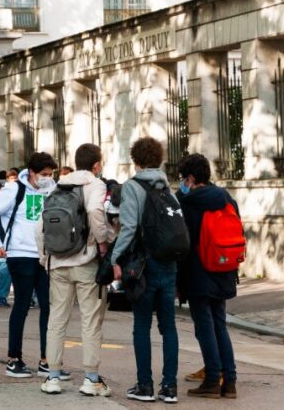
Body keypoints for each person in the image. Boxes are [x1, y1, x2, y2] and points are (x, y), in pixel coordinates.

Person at [39, 144, 115, 397]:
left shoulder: (58, 185)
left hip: (57, 262)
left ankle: (52, 377)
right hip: (85, 262)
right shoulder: (95, 185)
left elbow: (40, 226)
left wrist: (44, 257)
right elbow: (95, 211)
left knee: (56, 320)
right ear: (96, 164)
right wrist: (102, 240)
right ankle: (91, 379)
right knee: (91, 321)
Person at [111, 137, 179, 403]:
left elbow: (128, 228)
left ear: (135, 160)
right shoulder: (167, 187)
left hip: (143, 266)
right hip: (169, 263)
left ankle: (145, 386)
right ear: (159, 158)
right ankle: (170, 387)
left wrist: (116, 257)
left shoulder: (133, 186)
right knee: (169, 326)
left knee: (141, 325)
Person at [0, 152, 57, 378]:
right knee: (22, 305)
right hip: (20, 254)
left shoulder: (52, 189)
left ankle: (46, 360)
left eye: (50, 174)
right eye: (43, 174)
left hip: (46, 256)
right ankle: (14, 359)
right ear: (32, 172)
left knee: (49, 308)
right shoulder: (15, 189)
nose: (47, 178)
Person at [177, 154, 239, 400]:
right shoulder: (226, 198)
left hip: (198, 272)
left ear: (191, 178)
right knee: (219, 324)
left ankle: (213, 379)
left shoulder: (187, 203)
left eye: (183, 179)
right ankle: (230, 380)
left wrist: (179, 282)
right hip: (224, 269)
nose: (182, 183)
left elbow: (183, 244)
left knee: (204, 327)